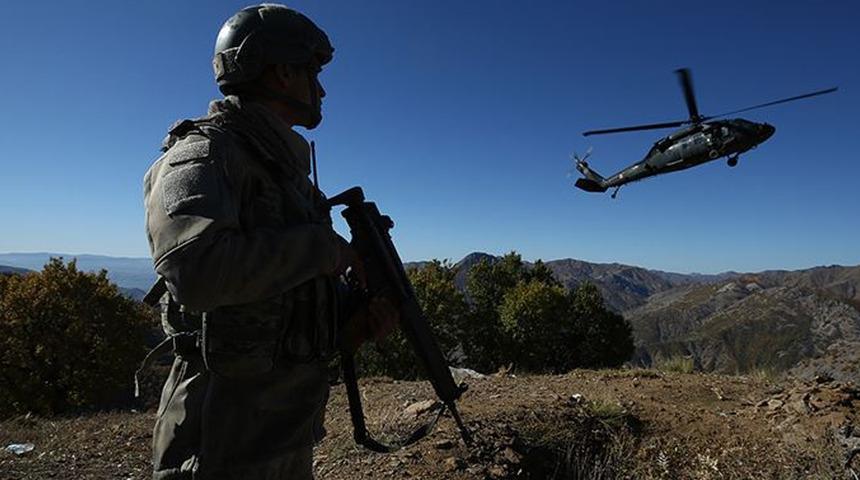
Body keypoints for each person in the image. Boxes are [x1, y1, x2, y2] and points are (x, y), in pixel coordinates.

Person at [143, 5, 396, 479]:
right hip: (218, 442)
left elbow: (281, 304)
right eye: (312, 73)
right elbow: (197, 274)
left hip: (281, 432)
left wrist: (353, 323)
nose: (321, 89)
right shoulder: (203, 154)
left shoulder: (287, 177)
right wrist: (325, 250)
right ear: (281, 73)